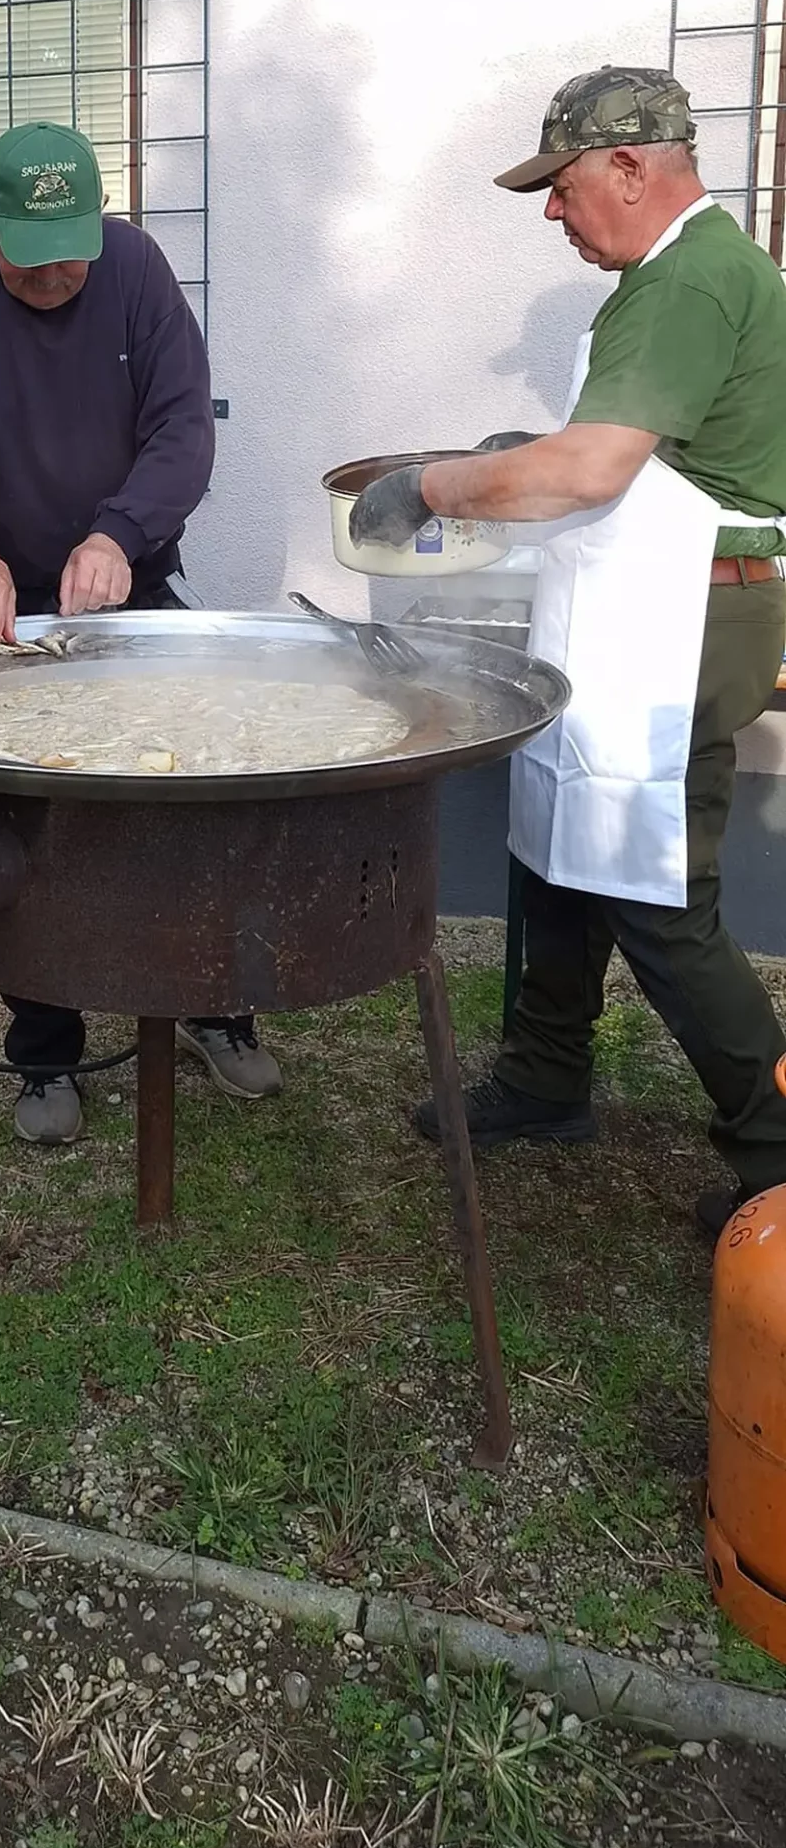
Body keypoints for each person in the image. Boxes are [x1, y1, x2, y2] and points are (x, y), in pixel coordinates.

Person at [349, 67, 786, 1239]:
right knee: (556, 850)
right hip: (636, 610)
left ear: (630, 168)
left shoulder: (689, 278)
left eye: (562, 182)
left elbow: (592, 471)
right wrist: (516, 454)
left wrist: (431, 484)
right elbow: (634, 454)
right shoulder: (677, 274)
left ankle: (777, 1149)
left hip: (678, 624)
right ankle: (545, 1079)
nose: (551, 208)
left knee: (659, 898)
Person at [0, 117, 284, 1143]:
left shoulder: (137, 270)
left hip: (128, 582)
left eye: (70, 254)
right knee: (18, 821)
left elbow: (182, 427)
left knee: (195, 800)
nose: (55, 275)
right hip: (0, 600)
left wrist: (119, 532)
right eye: (30, 257)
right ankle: (44, 1049)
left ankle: (213, 1004)